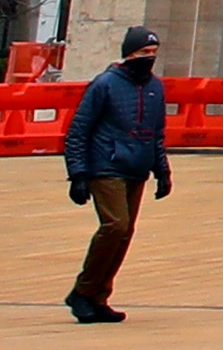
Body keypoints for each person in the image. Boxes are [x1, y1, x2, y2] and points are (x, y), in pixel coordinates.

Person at [59, 26, 175, 323]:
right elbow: (78, 131)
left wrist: (162, 170)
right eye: (143, 53)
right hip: (106, 166)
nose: (148, 58)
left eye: (153, 53)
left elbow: (156, 133)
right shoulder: (105, 85)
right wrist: (78, 174)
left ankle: (99, 296)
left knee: (125, 233)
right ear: (129, 54)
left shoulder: (155, 88)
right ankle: (83, 291)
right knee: (115, 225)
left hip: (137, 168)